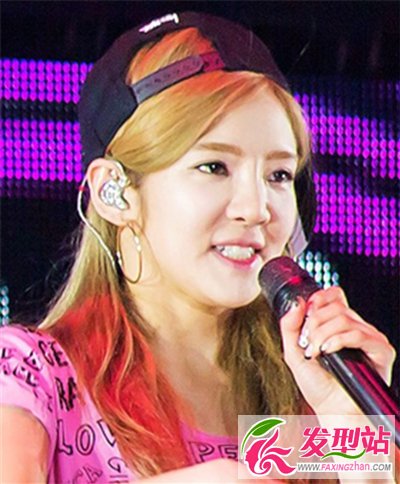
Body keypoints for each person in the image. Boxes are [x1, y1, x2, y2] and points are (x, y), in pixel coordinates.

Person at [0, 11, 396, 483]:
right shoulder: (31, 377)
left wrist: (351, 427)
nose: (256, 209)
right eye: (214, 167)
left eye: (278, 175)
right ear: (115, 192)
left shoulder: (298, 408)